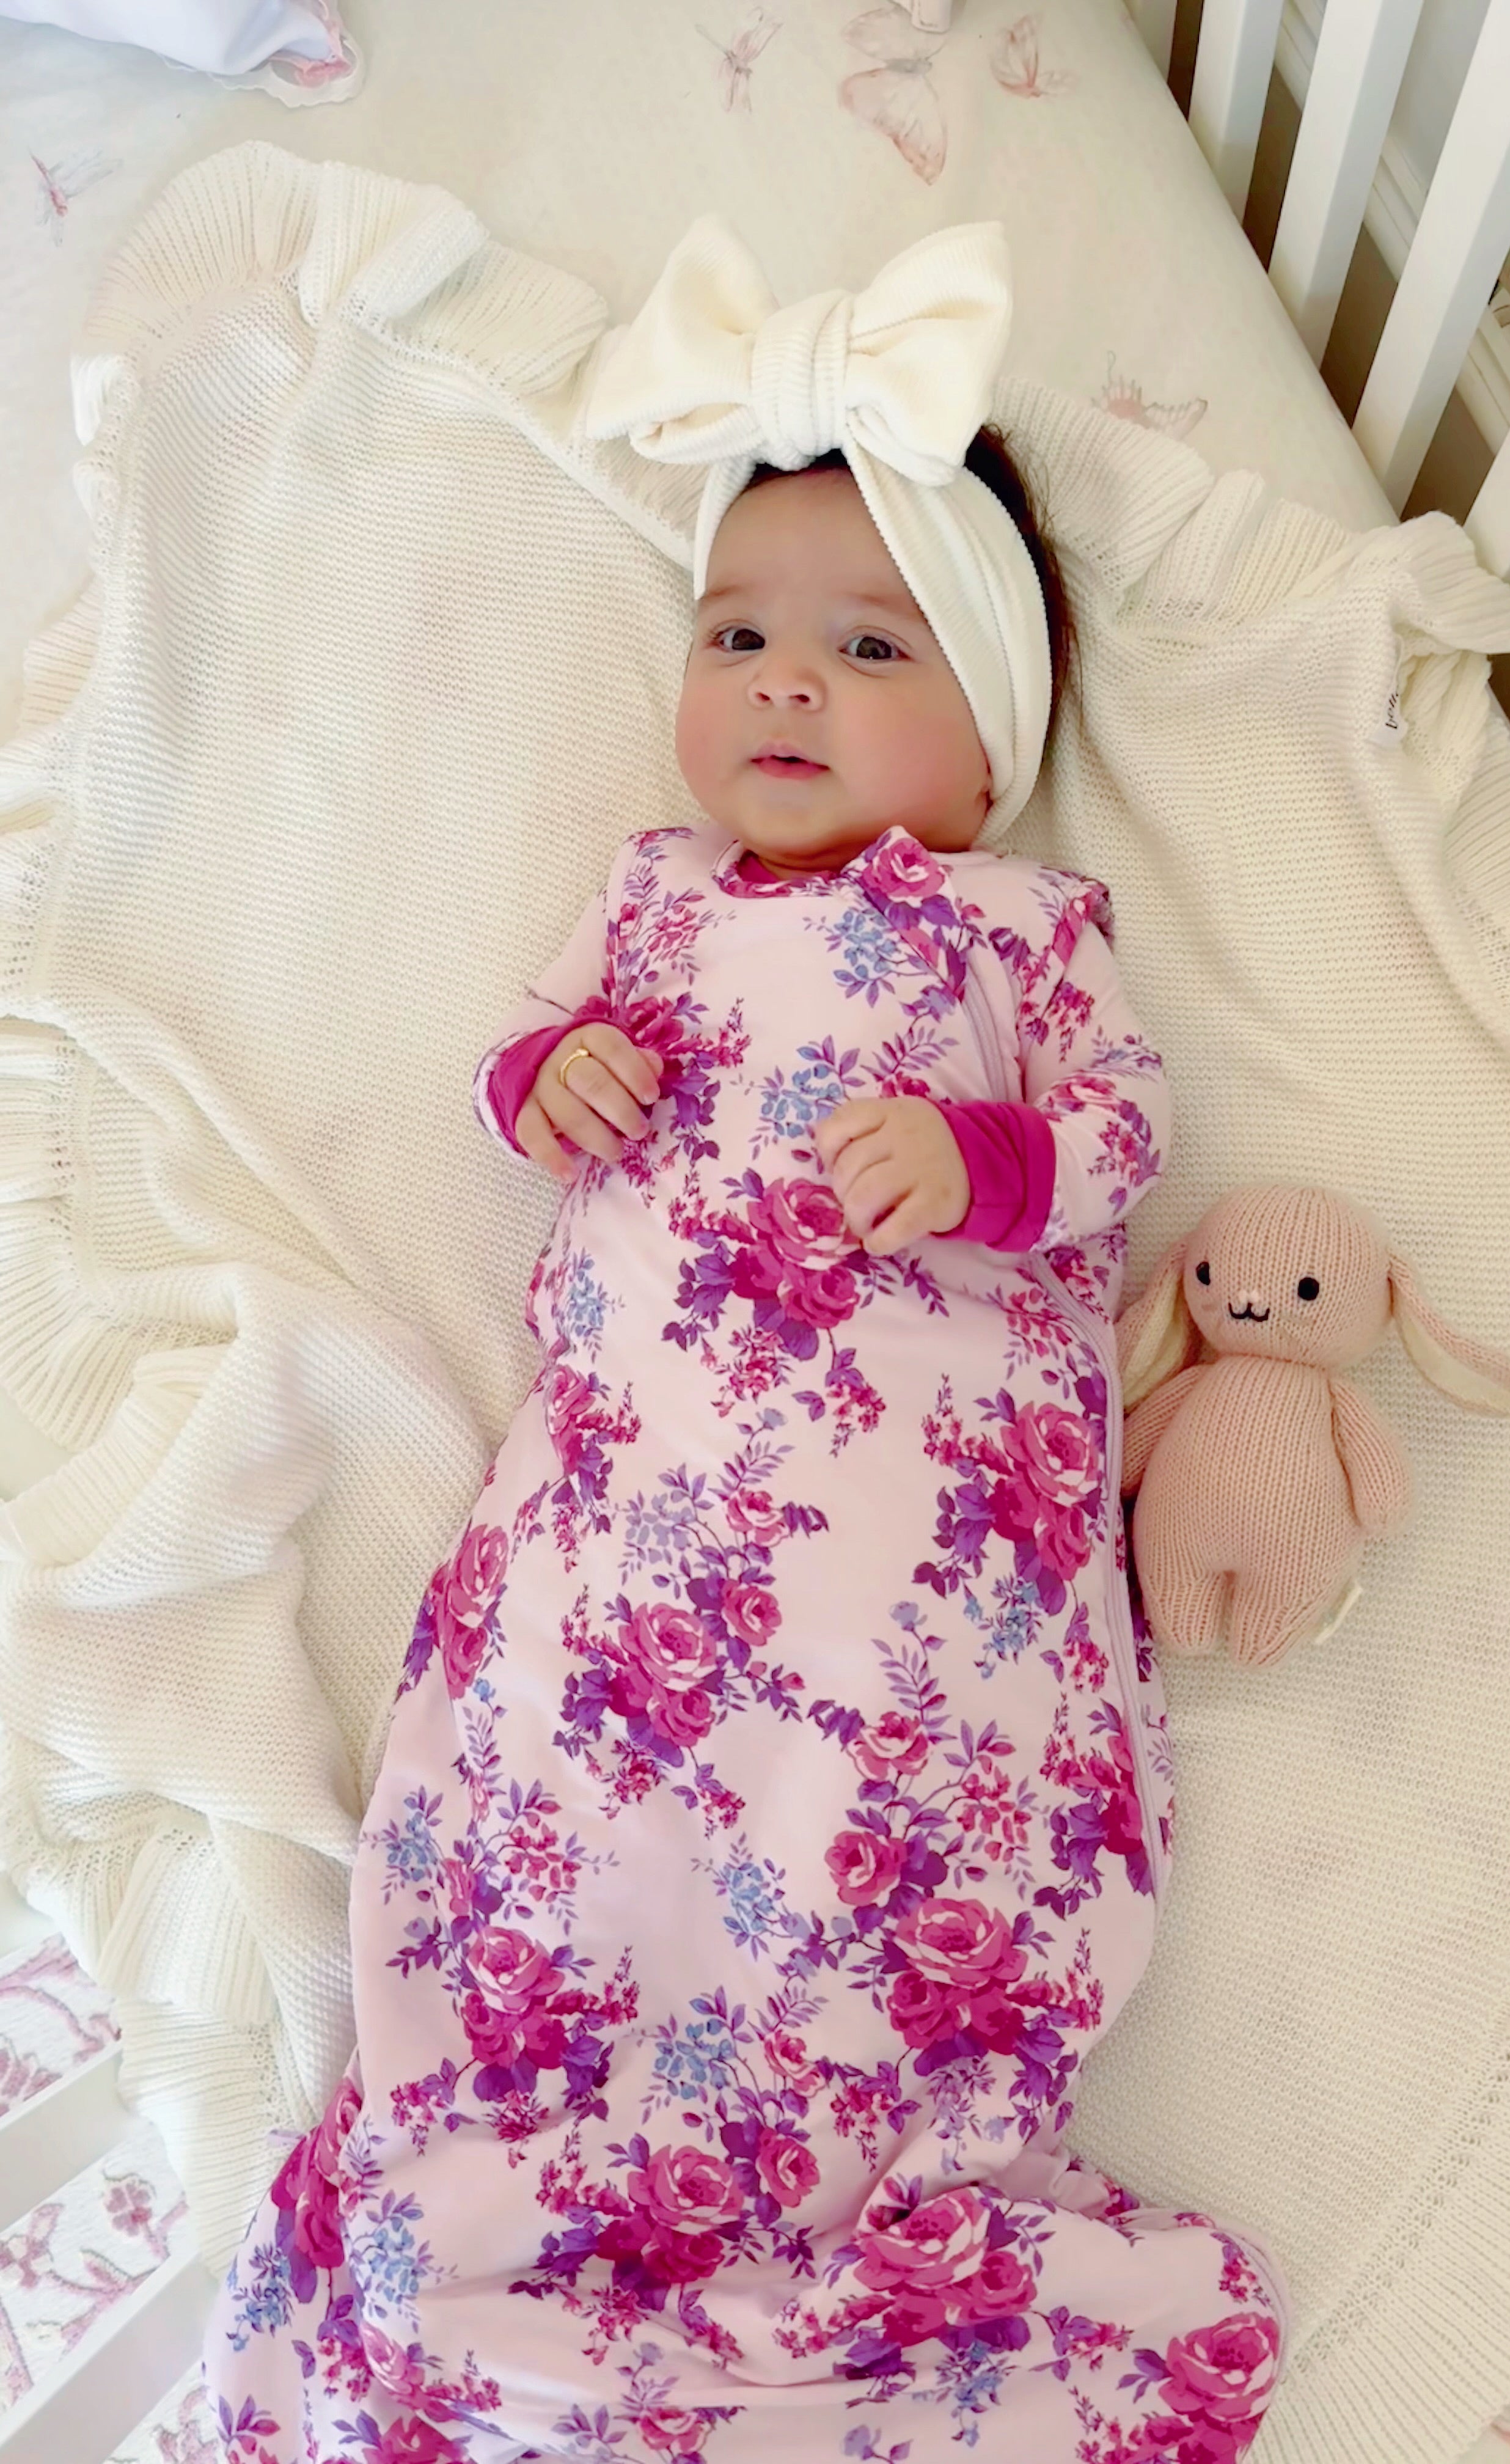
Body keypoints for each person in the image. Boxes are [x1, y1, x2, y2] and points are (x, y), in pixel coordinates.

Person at [202, 218, 1286, 2464]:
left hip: (928, 1587)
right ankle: (541, 2209)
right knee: (563, 1835)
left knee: (904, 1843)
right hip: (630, 1548)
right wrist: (556, 1081)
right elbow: (528, 1064)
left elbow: (1117, 1137)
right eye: (740, 634)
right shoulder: (649, 899)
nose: (782, 683)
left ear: (991, 750)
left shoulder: (1022, 927)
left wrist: (983, 1168)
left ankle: (863, 2199)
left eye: (869, 644)